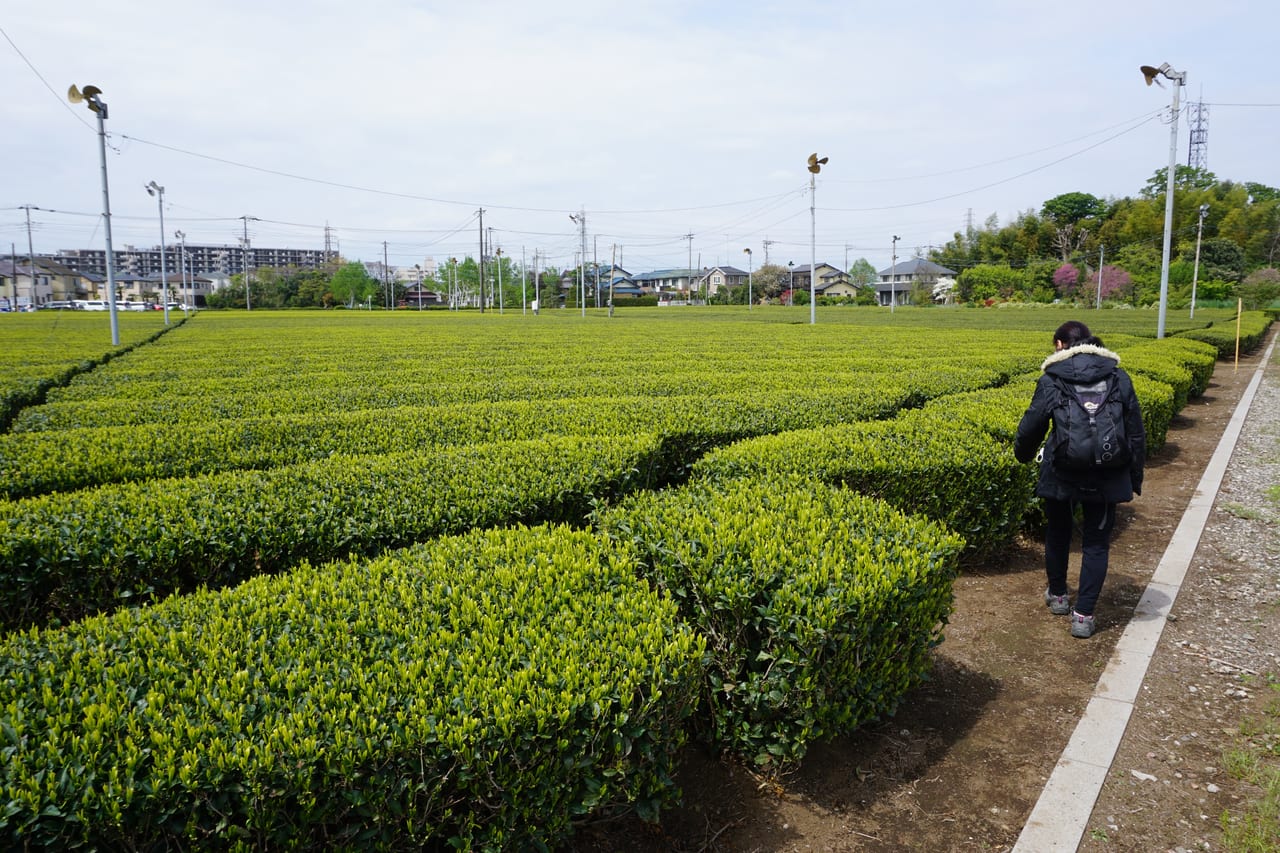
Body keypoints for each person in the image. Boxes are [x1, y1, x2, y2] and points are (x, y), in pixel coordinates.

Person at [1014, 320, 1146, 638]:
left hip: (1063, 469)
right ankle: (1084, 615)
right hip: (1109, 471)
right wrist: (1134, 477)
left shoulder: (1052, 378)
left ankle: (1058, 596)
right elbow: (1135, 430)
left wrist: (1023, 453)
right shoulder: (1118, 376)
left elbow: (1033, 424)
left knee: (1058, 533)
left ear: (1060, 345)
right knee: (1096, 544)